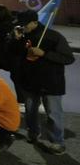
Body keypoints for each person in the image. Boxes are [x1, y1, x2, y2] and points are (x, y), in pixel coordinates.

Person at [11, 11, 73, 154]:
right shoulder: (23, 36)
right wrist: (16, 40)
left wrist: (44, 53)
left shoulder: (54, 37)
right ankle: (33, 133)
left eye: (24, 24)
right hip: (29, 81)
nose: (22, 27)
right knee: (30, 111)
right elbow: (13, 53)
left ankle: (57, 142)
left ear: (34, 22)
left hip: (51, 82)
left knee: (53, 113)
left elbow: (68, 58)